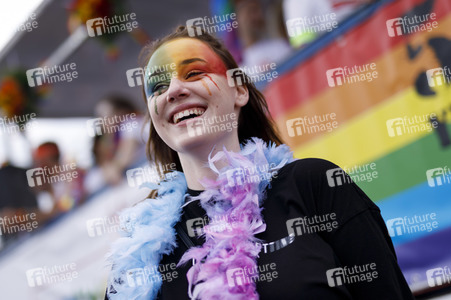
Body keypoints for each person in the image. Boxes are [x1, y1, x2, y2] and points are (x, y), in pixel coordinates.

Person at [105, 26, 414, 299]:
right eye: (158, 87)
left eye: (194, 73)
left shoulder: (314, 184)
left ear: (239, 91)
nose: (173, 90)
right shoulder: (140, 253)